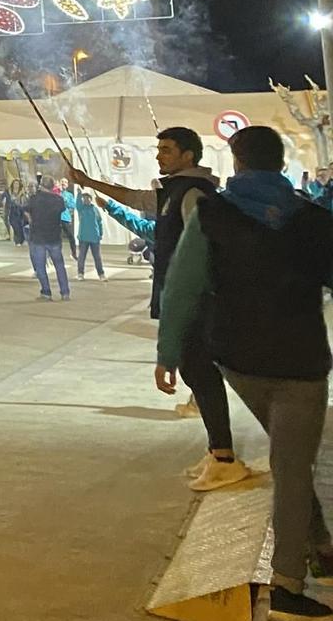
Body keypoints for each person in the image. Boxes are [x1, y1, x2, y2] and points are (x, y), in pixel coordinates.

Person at [156, 125, 333, 621]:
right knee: (293, 469)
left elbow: (182, 286)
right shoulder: (314, 219)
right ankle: (287, 590)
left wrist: (168, 351)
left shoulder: (213, 214)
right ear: (279, 163)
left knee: (292, 463)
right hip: (300, 362)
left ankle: (320, 546)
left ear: (236, 163)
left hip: (238, 360)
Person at [70, 128, 241, 490]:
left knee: (201, 374)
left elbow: (207, 247)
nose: (159, 155)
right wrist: (89, 182)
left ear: (189, 155)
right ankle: (218, 452)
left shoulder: (194, 193)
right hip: (180, 293)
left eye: (167, 150)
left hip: (194, 298)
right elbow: (134, 198)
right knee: (197, 374)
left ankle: (225, 457)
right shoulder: (173, 191)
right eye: (158, 149)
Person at [22, 173, 70, 301]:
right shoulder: (58, 199)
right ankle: (65, 292)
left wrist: (31, 219)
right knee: (59, 266)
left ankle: (46, 292)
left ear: (41, 184)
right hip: (54, 236)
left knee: (40, 266)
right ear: (53, 186)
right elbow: (61, 210)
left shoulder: (34, 198)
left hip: (38, 237)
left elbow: (25, 210)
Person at [73, 183, 106, 279]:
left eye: (88, 198)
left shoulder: (95, 209)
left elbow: (99, 222)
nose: (86, 199)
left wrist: (101, 233)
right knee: (82, 257)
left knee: (97, 257)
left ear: (91, 199)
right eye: (84, 198)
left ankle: (101, 274)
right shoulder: (81, 208)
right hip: (83, 237)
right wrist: (79, 193)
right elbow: (78, 204)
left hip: (95, 237)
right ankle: (80, 273)